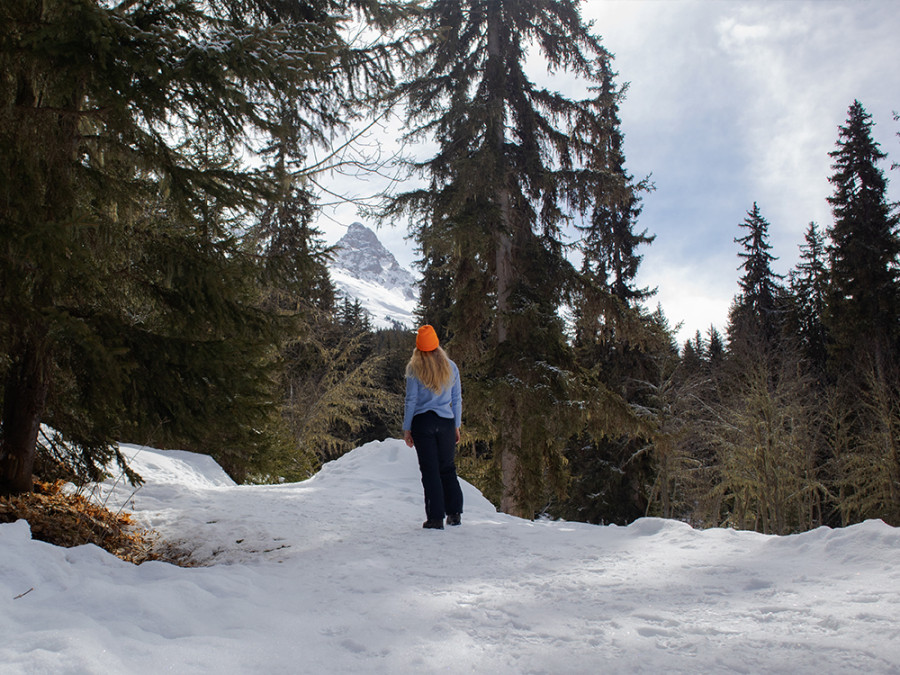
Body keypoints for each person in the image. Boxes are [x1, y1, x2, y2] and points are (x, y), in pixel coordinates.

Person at [403, 324, 463, 530]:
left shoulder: (414, 368)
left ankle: (435, 518)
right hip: (446, 422)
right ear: (436, 345)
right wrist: (456, 425)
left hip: (422, 423)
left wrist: (407, 428)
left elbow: (410, 400)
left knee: (430, 471)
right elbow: (457, 399)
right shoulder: (451, 366)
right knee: (447, 468)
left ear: (419, 348)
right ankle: (454, 514)